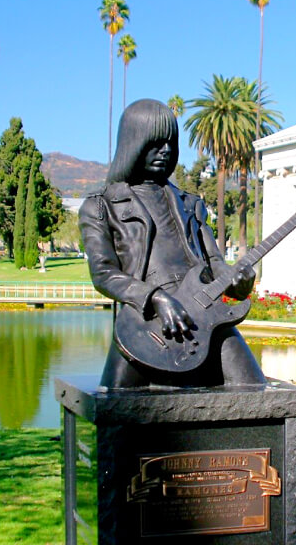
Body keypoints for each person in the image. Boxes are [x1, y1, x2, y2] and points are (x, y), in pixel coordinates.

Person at [79, 99, 266, 389]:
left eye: (170, 143)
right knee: (117, 412)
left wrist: (239, 281)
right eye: (155, 143)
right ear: (134, 143)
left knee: (253, 387)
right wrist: (155, 297)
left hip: (203, 314)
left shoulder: (191, 204)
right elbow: (103, 273)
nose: (165, 151)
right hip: (144, 322)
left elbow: (213, 263)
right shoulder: (101, 206)